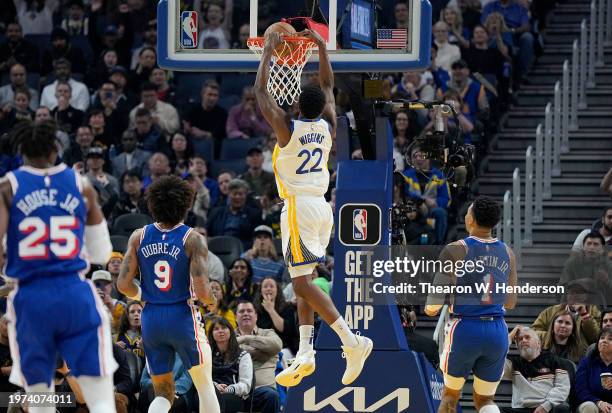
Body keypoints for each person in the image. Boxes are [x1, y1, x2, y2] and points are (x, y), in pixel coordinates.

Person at [254, 29, 373, 387]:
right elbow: (327, 82)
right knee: (302, 279)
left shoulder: (287, 129)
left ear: (295, 106)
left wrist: (269, 53)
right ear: (322, 105)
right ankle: (306, 350)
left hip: (299, 209)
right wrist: (321, 47)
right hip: (322, 208)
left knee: (302, 285)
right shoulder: (327, 125)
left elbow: (261, 92)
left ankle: (351, 342)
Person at [0, 120, 116, 412]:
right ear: (55, 149)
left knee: (40, 399)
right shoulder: (81, 184)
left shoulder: (7, 187)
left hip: (30, 298)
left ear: (22, 152)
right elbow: (102, 252)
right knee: (101, 399)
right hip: (74, 294)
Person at [117, 175, 220, 413]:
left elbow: (123, 284)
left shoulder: (138, 236)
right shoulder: (192, 238)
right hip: (182, 316)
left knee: (163, 392)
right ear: (186, 204)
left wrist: (143, 294)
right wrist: (211, 303)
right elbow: (203, 290)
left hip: (151, 318)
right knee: (205, 386)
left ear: (153, 205)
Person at [425, 195, 518, 413]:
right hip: (497, 330)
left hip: (465, 329)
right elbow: (511, 302)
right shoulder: (508, 253)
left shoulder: (456, 249)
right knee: (485, 401)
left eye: (468, 212)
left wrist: (433, 307)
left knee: (449, 397)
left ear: (471, 220)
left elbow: (433, 306)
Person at [502, 327, 571, 413]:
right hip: (520, 409)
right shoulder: (513, 364)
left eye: (527, 337)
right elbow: (494, 361)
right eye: (519, 339)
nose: (523, 340)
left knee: (562, 409)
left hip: (547, 408)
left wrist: (546, 406)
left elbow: (563, 387)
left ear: (538, 343)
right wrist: (509, 337)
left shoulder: (554, 360)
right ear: (516, 346)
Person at [208, 316, 253, 411]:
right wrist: (215, 386)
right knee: (199, 399)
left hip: (234, 394)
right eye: (216, 329)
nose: (220, 331)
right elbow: (203, 378)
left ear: (230, 331)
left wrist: (229, 389)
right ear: (211, 334)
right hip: (211, 391)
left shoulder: (243, 355)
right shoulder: (207, 354)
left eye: (224, 327)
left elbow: (246, 385)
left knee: (221, 401)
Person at [575, 327, 612, 413]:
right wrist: (598, 402)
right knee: (589, 407)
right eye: (602, 338)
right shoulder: (586, 362)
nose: (604, 341)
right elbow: (580, 390)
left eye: (610, 339)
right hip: (591, 403)